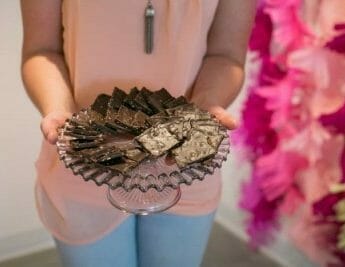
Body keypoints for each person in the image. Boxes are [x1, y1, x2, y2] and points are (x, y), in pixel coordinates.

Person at [20, 1, 256, 266]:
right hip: (83, 160)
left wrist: (205, 107)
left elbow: (225, 54)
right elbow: (42, 50)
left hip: (184, 166)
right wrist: (59, 109)